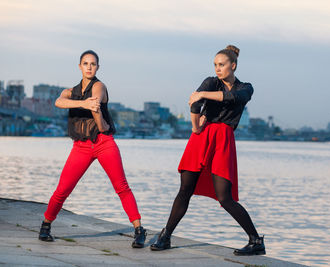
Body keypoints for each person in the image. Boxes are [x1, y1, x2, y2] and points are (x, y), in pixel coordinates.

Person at [150, 45, 265, 256]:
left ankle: (256, 241)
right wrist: (195, 127)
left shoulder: (245, 87)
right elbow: (195, 106)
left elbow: (234, 99)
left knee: (225, 197)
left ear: (233, 66)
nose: (218, 69)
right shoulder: (211, 81)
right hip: (201, 137)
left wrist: (202, 94)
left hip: (223, 140)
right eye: (215, 65)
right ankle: (165, 236)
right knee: (185, 189)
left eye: (221, 65)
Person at [38, 50, 146, 248]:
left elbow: (96, 106)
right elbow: (58, 101)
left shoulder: (99, 86)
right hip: (81, 146)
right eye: (85, 63)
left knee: (121, 186)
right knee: (63, 189)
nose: (89, 67)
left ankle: (139, 230)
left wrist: (100, 121)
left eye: (93, 64)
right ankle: (46, 226)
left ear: (97, 67)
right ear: (79, 66)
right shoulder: (71, 91)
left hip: (104, 143)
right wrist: (82, 103)